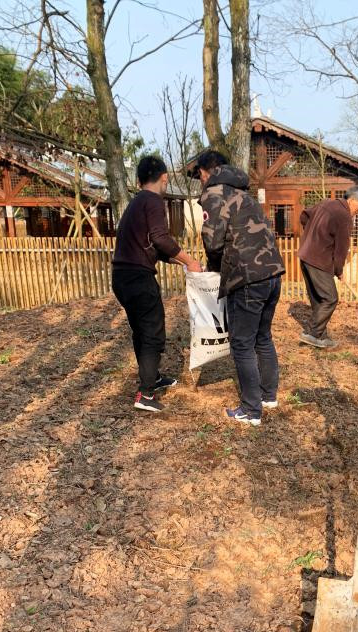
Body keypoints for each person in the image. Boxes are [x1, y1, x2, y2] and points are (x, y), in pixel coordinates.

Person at [191, 149, 285, 426]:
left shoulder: (214, 193)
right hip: (273, 273)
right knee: (263, 337)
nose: (201, 181)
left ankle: (251, 410)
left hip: (246, 276)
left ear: (205, 172)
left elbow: (213, 241)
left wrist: (214, 269)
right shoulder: (245, 194)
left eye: (200, 176)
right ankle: (268, 396)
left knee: (242, 344)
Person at [112, 155, 201, 412]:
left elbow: (153, 246)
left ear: (139, 179)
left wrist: (180, 262)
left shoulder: (135, 202)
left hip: (122, 276)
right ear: (164, 177)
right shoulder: (152, 201)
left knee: (141, 330)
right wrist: (190, 260)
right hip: (138, 278)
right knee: (153, 332)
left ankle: (152, 377)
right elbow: (161, 238)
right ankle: (146, 394)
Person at [298, 185, 358, 348]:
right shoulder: (344, 216)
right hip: (319, 260)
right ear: (352, 200)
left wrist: (312, 236)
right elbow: (341, 249)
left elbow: (304, 216)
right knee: (330, 298)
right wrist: (339, 270)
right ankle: (312, 334)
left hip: (305, 257)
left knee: (318, 299)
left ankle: (321, 337)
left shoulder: (326, 203)